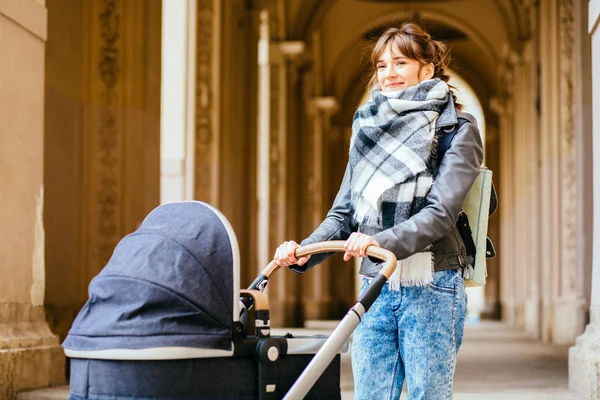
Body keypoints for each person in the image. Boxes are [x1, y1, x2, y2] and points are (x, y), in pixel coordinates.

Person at [274, 22, 484, 399]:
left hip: (434, 284)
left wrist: (376, 242)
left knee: (428, 395)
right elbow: (344, 215)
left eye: (400, 63)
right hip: (375, 286)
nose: (389, 73)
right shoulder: (367, 129)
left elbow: (441, 213)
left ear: (428, 68)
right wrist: (302, 251)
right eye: (381, 65)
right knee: (371, 394)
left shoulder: (458, 128)